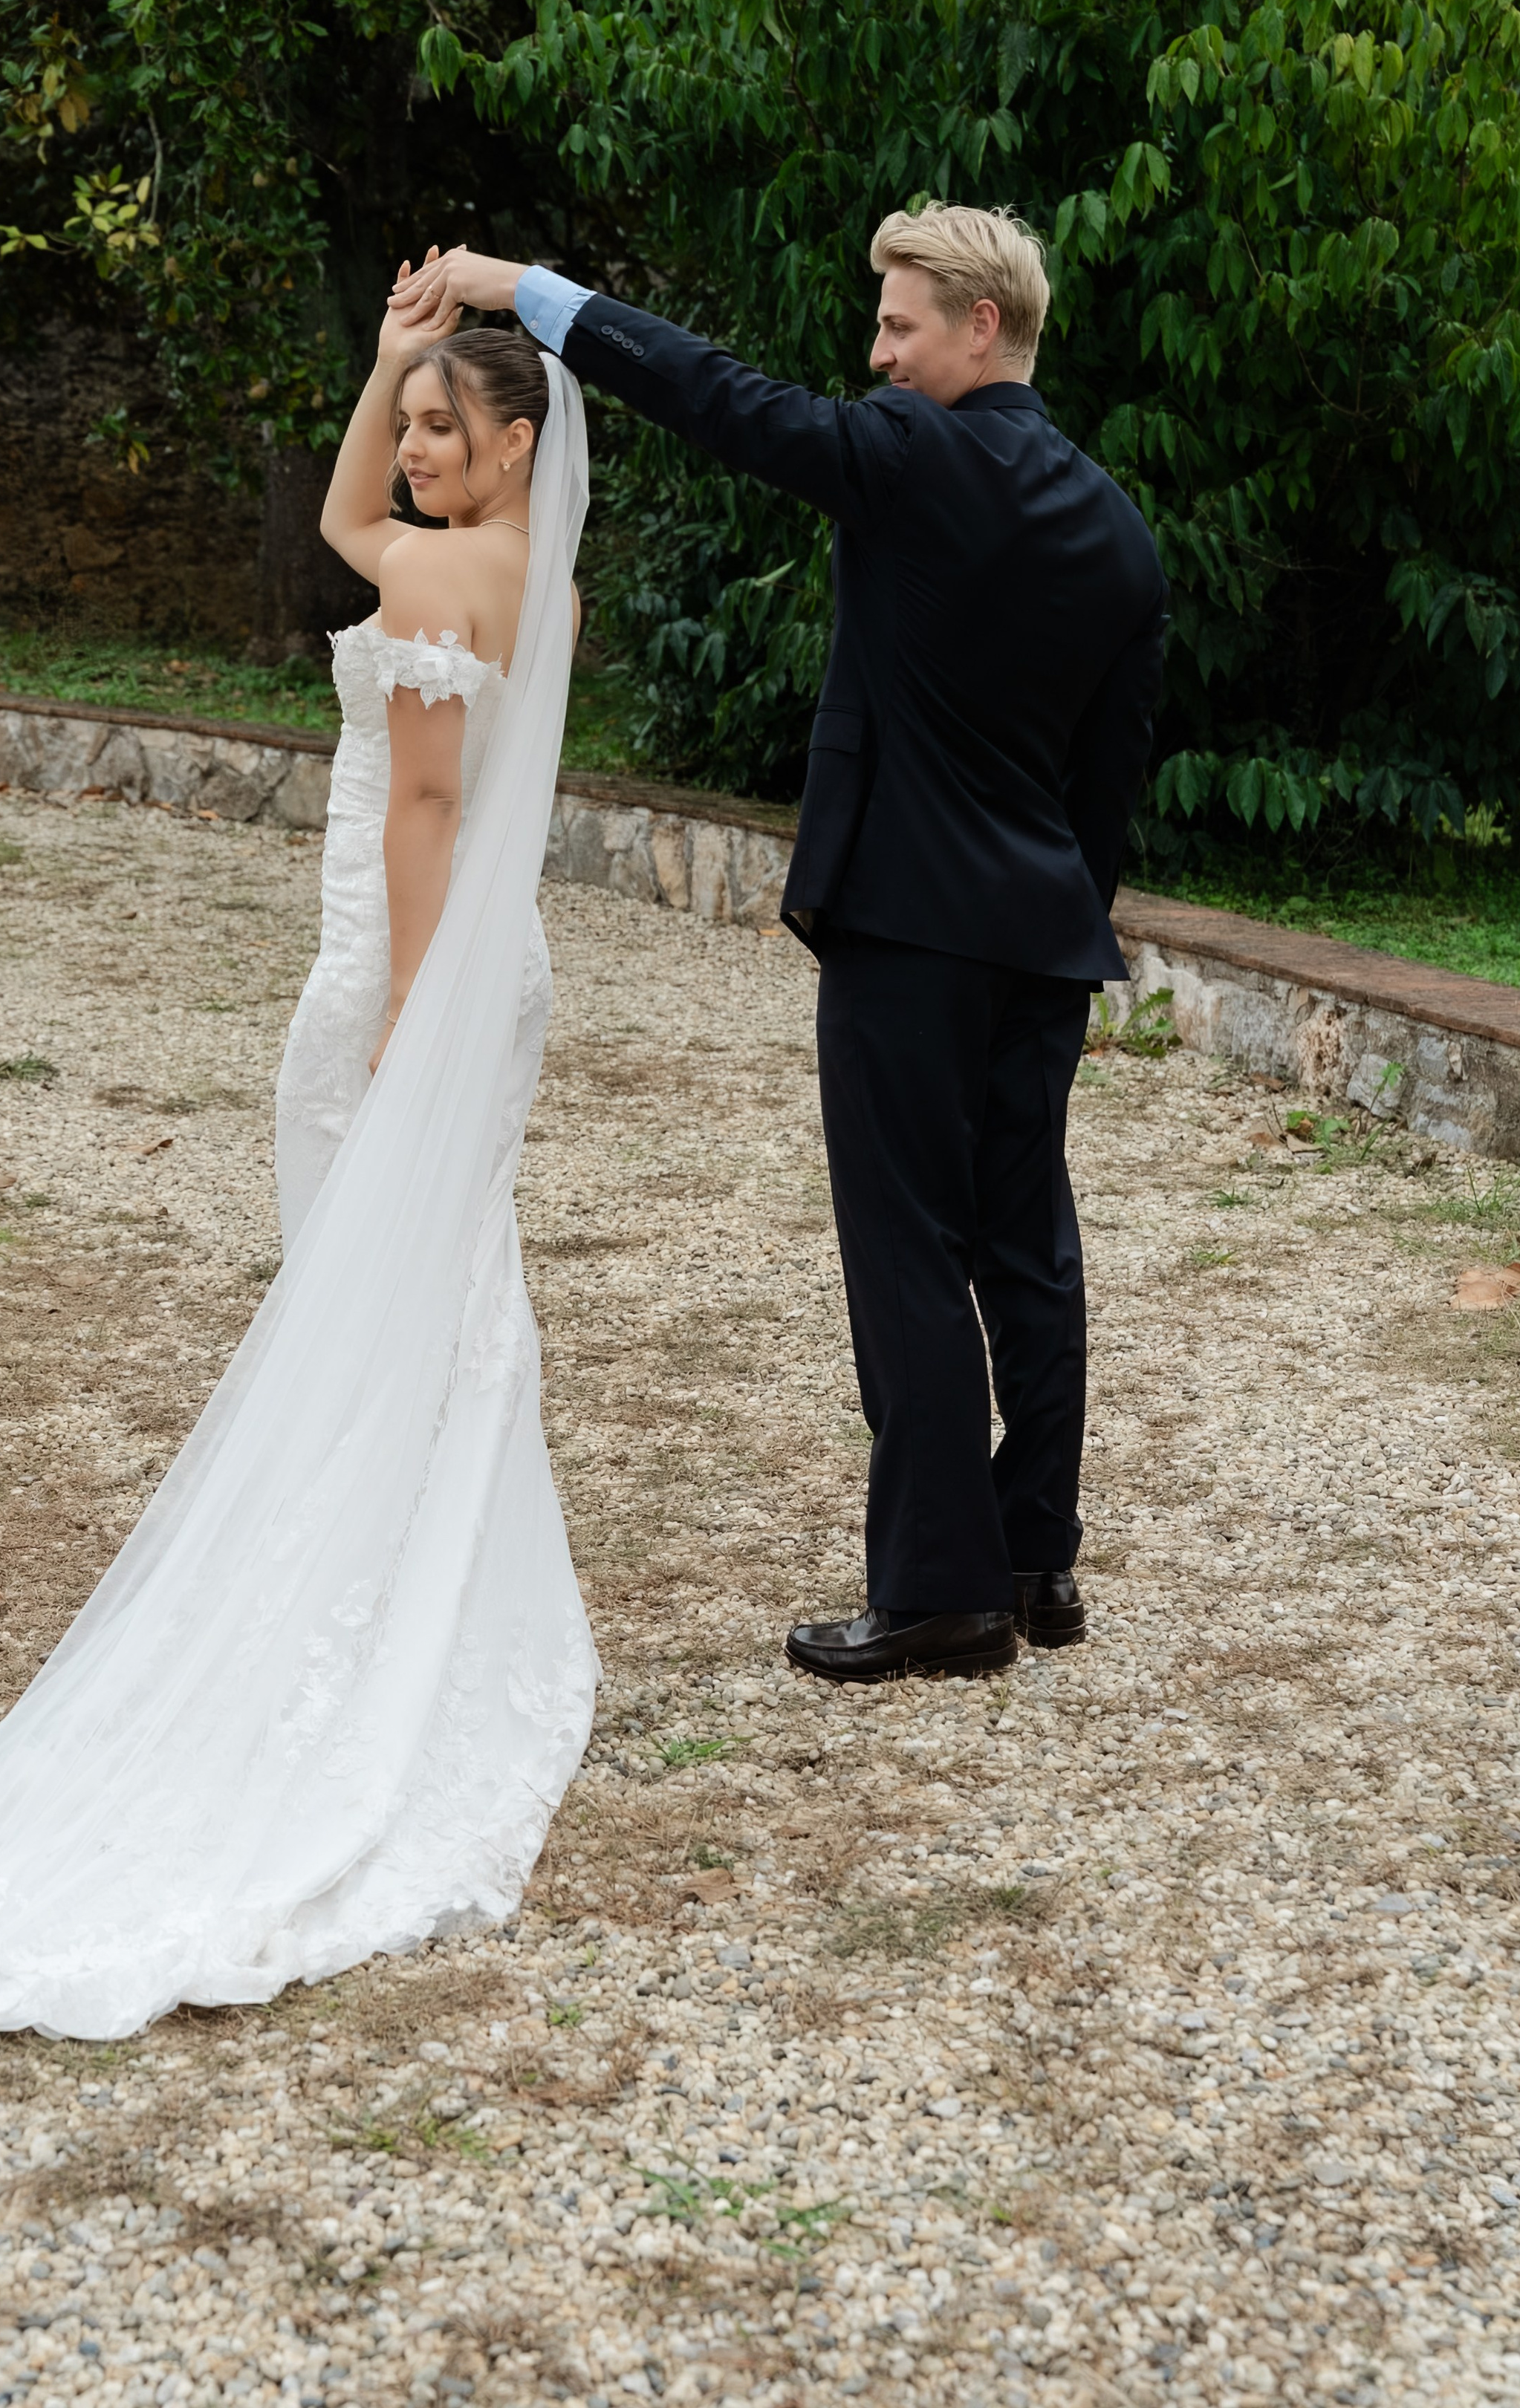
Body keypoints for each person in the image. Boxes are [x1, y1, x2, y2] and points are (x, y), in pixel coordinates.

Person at [0, 269, 599, 2039]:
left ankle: (363, 1604)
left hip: (410, 958)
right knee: (439, 1284)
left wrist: (398, 1022)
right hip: (482, 959)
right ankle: (428, 1591)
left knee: (369, 1282)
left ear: (518, 441)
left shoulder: (447, 568)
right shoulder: (524, 566)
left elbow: (434, 809)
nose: (415, 453)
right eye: (417, 428)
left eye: (447, 430)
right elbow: (337, 515)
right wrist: (389, 364)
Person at [392, 206, 1167, 1687]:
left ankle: (940, 1597)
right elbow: (1101, 784)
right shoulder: (1111, 524)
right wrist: (1058, 916)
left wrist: (528, 292)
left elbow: (717, 397)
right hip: (1039, 935)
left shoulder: (910, 458)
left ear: (980, 329)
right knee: (1027, 1246)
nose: (873, 353)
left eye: (897, 325)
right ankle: (1030, 1559)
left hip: (903, 925)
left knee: (906, 1252)